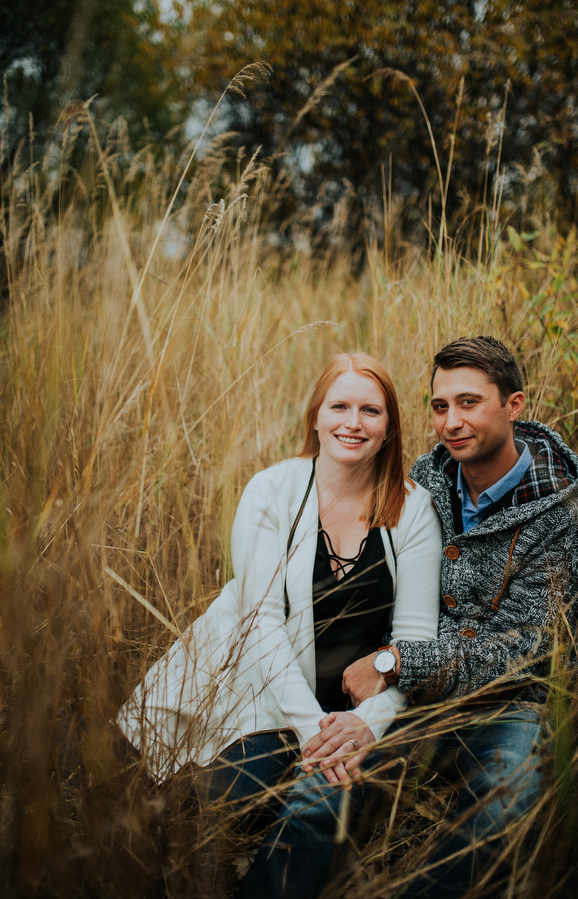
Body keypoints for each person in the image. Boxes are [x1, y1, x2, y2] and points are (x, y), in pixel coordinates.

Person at [117, 352, 442, 898]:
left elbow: (416, 642)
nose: (353, 423)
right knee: (215, 811)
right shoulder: (271, 491)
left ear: (389, 428)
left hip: (358, 718)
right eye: (339, 406)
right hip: (268, 698)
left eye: (371, 410)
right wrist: (312, 727)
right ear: (315, 417)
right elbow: (260, 622)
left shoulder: (412, 509)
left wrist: (366, 724)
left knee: (325, 804)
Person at [338, 336, 578, 897]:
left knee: (506, 803)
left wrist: (396, 661)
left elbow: (524, 651)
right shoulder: (423, 482)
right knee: (331, 780)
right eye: (439, 406)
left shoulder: (567, 519)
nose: (451, 422)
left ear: (514, 405)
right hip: (412, 696)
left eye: (469, 402)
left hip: (508, 709)